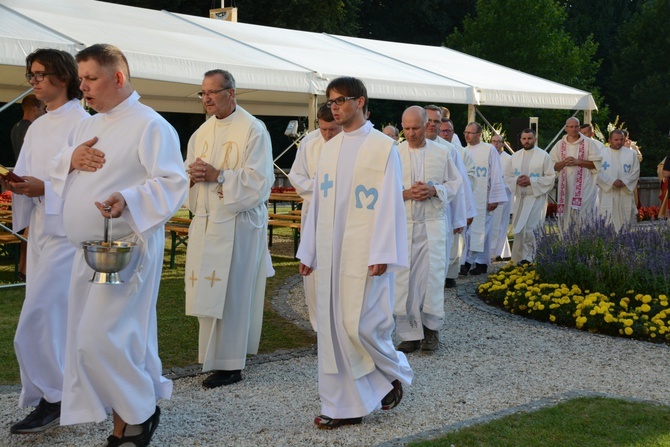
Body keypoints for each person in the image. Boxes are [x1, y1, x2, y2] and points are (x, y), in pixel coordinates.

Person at [49, 44, 188, 446]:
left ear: (118, 78)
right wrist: (71, 158)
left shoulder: (150, 124)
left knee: (98, 339)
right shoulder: (88, 123)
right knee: (103, 338)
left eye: (90, 78)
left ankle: (141, 412)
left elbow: (172, 181)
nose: (83, 87)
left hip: (127, 250)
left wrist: (129, 198)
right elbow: (61, 163)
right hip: (89, 252)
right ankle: (124, 419)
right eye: (81, 79)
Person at [297, 76, 413, 429]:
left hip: (364, 252)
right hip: (331, 254)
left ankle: (389, 375)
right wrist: (309, 250)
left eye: (341, 100)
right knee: (331, 329)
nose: (335, 106)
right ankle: (342, 405)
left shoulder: (383, 147)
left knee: (360, 326)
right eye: (331, 101)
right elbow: (318, 203)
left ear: (360, 102)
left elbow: (392, 202)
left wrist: (382, 251)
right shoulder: (327, 147)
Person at [5, 49, 89, 436]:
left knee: (38, 318)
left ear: (63, 77)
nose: (33, 81)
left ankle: (56, 397)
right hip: (39, 228)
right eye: (31, 75)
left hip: (66, 233)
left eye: (40, 74)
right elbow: (27, 174)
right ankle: (56, 394)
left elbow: (90, 182)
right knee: (48, 318)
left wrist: (46, 188)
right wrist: (14, 184)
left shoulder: (83, 123)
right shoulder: (38, 125)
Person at [184, 69, 274, 389]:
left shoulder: (253, 129)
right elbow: (189, 177)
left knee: (232, 295)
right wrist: (192, 176)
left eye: (212, 92)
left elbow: (260, 183)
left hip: (237, 225)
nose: (206, 98)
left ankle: (231, 364)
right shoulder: (202, 133)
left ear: (231, 93)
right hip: (208, 224)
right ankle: (212, 358)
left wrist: (219, 176)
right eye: (202, 93)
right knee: (208, 292)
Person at [394, 106, 461, 353]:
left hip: (432, 226)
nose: (411, 133)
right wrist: (406, 193)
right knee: (405, 282)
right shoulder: (395, 153)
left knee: (431, 280)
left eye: (416, 128)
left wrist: (433, 190)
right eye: (407, 128)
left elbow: (455, 183)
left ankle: (431, 332)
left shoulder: (443, 152)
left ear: (427, 126)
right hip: (405, 226)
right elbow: (381, 188)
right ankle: (409, 334)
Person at [288, 103, 342, 331]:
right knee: (314, 272)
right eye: (323, 130)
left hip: (343, 215)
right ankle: (320, 329)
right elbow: (296, 176)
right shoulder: (309, 143)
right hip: (315, 214)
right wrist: (321, 190)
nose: (328, 135)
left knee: (341, 271)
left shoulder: (350, 143)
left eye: (332, 130)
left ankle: (341, 328)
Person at [461, 122, 507, 275]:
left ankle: (471, 262)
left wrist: (494, 197)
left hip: (484, 197)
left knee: (481, 229)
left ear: (479, 135)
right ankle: (475, 261)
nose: (467, 135)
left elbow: (495, 173)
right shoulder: (462, 151)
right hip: (469, 197)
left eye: (471, 132)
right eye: (465, 132)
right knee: (469, 232)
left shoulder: (489, 150)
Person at [503, 129, 555, 264]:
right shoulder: (515, 156)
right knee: (519, 230)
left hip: (535, 198)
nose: (527, 141)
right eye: (524, 138)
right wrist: (517, 181)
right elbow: (507, 176)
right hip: (520, 198)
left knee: (532, 228)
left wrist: (531, 181)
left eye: (530, 138)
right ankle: (519, 258)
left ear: (535, 139)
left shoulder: (544, 156)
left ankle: (531, 258)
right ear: (520, 140)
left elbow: (550, 177)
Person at [440, 118, 476, 288]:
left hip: (456, 200)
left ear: (453, 133)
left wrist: (467, 209)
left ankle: (450, 274)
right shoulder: (434, 149)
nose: (445, 133)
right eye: (443, 130)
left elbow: (470, 178)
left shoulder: (461, 153)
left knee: (455, 239)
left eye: (449, 131)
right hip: (439, 202)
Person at [549, 117, 602, 233]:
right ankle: (567, 245)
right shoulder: (559, 144)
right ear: (566, 128)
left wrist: (578, 162)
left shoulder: (589, 143)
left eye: (576, 126)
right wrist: (563, 163)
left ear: (579, 127)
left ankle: (584, 243)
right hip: (566, 188)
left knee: (584, 216)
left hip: (585, 187)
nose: (574, 129)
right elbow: (551, 165)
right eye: (571, 126)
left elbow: (597, 164)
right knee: (567, 217)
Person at [597, 129, 640, 231]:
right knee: (608, 218)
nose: (619, 142)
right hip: (608, 192)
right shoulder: (601, 154)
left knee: (625, 218)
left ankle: (624, 240)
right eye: (616, 140)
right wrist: (612, 181)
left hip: (625, 191)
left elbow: (636, 171)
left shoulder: (631, 154)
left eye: (621, 139)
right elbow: (597, 172)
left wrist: (625, 181)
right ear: (610, 140)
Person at [489, 134, 512, 262]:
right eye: (493, 141)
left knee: (500, 224)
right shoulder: (488, 155)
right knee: (490, 223)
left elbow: (510, 177)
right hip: (489, 195)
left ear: (503, 144)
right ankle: (494, 250)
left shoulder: (508, 159)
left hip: (503, 194)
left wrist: (500, 188)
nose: (496, 144)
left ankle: (496, 251)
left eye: (498, 141)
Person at [10, 94, 45, 163]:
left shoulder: (15, 127)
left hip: (20, 170)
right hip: (29, 172)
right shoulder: (32, 128)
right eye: (43, 108)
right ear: (35, 109)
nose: (44, 112)